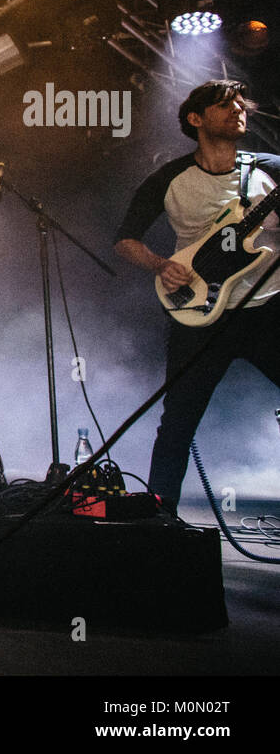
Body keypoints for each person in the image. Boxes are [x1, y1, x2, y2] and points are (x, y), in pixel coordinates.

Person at [115, 79, 280, 515]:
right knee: (178, 422)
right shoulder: (170, 179)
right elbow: (125, 240)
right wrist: (160, 265)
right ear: (196, 118)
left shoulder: (270, 169)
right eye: (225, 105)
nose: (237, 111)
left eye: (241, 105)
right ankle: (159, 517)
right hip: (199, 311)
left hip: (268, 307)